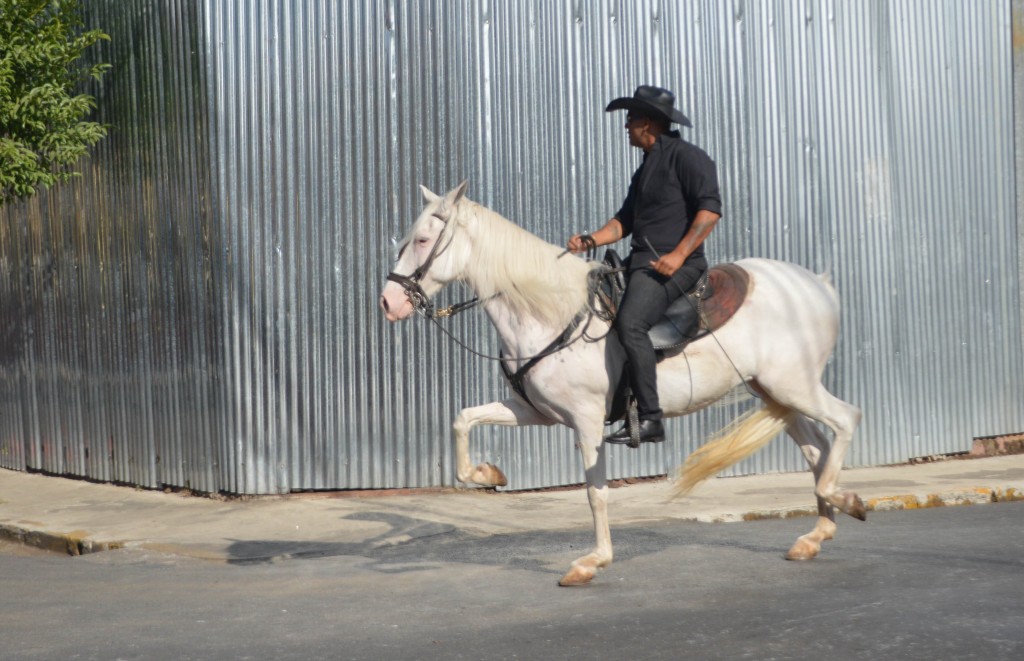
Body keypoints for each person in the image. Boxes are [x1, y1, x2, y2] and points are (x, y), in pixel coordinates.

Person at [568, 85, 722, 445]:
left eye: (631, 118)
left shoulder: (688, 157)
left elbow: (710, 211)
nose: (626, 126)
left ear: (648, 123)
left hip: (677, 266)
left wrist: (679, 255)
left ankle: (651, 419)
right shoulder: (645, 169)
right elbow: (624, 221)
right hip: (641, 263)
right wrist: (589, 240)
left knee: (630, 323)